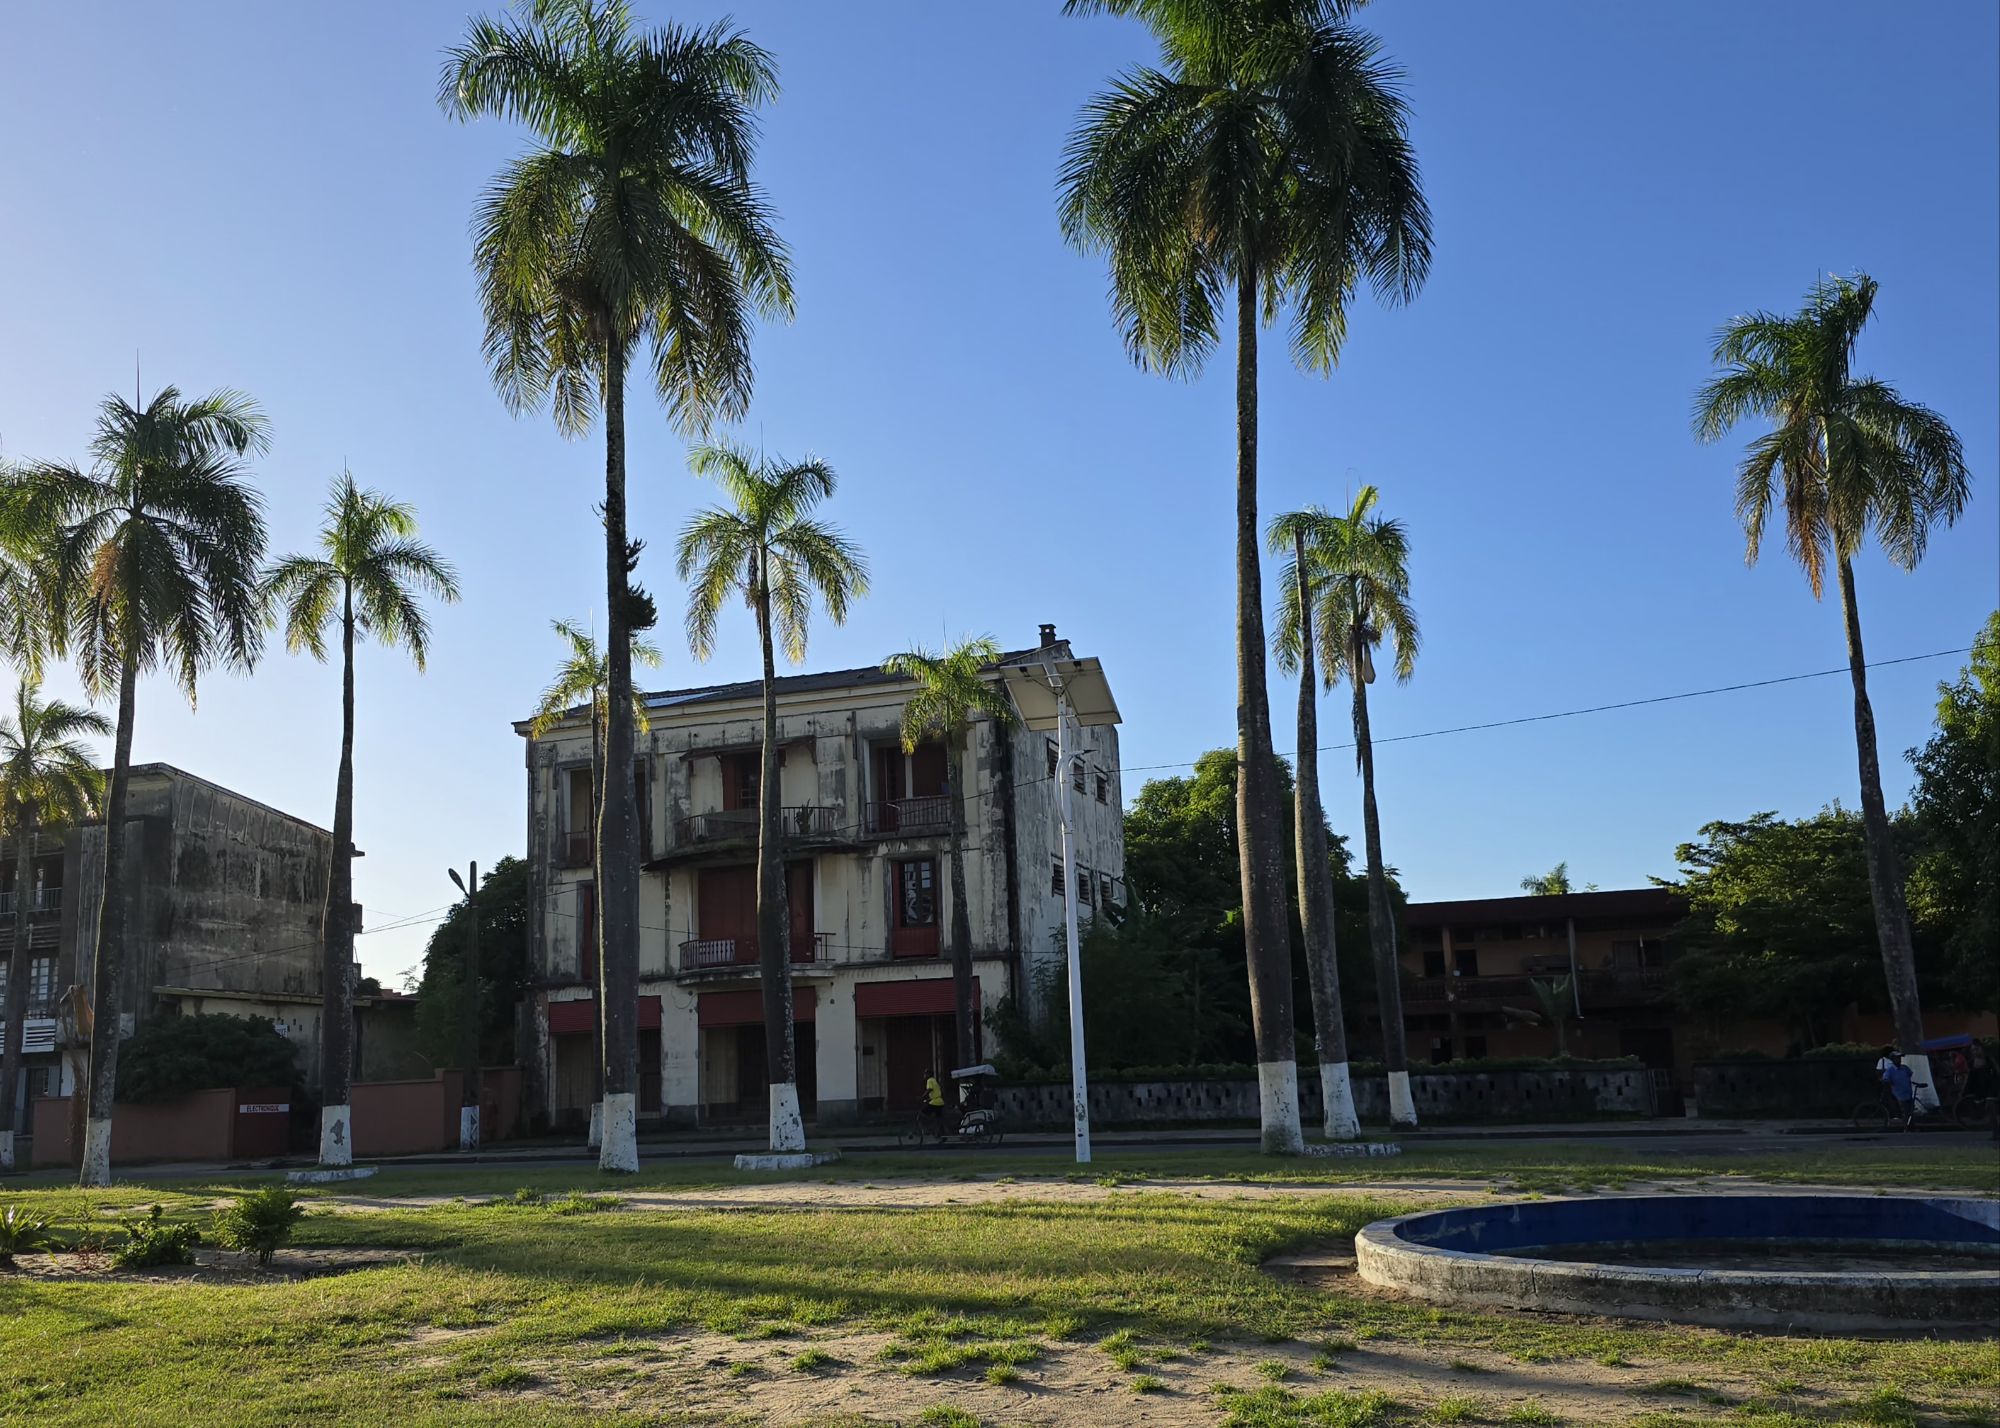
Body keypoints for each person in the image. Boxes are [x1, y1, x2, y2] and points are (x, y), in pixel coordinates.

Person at [1881, 1055, 1917, 1124]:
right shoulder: (1890, 1070)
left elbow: (1910, 1074)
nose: (1899, 1060)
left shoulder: (1905, 1068)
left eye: (1899, 1058)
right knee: (1905, 1110)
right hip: (1899, 1093)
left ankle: (1911, 1126)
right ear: (1893, 1060)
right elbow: (1885, 1079)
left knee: (1910, 1111)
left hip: (1908, 1092)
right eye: (1897, 1058)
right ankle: (1907, 1127)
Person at [921, 1069, 947, 1136]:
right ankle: (940, 1133)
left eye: (925, 1074)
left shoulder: (929, 1080)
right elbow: (936, 1092)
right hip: (940, 1102)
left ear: (928, 1075)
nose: (924, 1075)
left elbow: (929, 1089)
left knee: (922, 1114)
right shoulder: (934, 1080)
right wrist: (928, 1099)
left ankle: (927, 1129)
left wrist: (922, 1097)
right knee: (938, 1118)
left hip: (935, 1102)